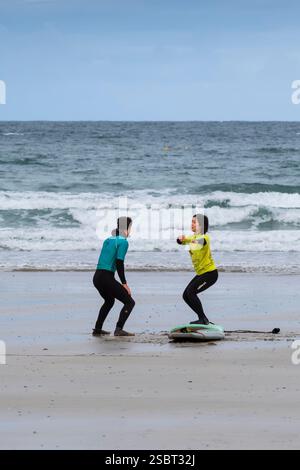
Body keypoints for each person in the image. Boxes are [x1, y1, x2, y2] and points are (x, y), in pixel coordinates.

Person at [92, 216, 135, 337]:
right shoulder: (123, 242)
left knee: (109, 301)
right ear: (128, 227)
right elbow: (119, 262)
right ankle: (119, 329)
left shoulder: (108, 240)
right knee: (130, 302)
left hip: (97, 277)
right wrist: (124, 284)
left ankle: (97, 329)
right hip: (106, 278)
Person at [177, 214, 218, 325]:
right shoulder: (193, 237)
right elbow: (180, 241)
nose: (192, 224)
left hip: (210, 274)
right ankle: (204, 318)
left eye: (194, 222)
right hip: (201, 274)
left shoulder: (205, 238)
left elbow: (199, 243)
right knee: (185, 295)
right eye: (192, 222)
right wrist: (180, 239)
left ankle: (202, 319)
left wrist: (187, 240)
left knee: (191, 292)